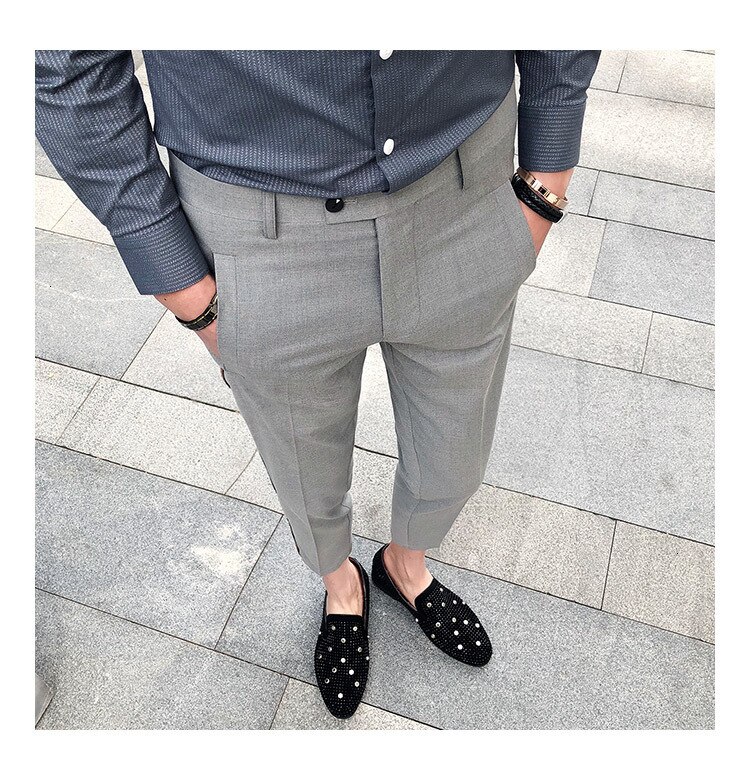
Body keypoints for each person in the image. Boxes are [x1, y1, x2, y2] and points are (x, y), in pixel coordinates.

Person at [35, 50, 600, 720]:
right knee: (303, 469)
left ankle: (405, 566)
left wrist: (546, 181)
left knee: (457, 454)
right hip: (261, 226)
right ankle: (341, 586)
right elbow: (65, 60)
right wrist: (186, 287)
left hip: (463, 191)